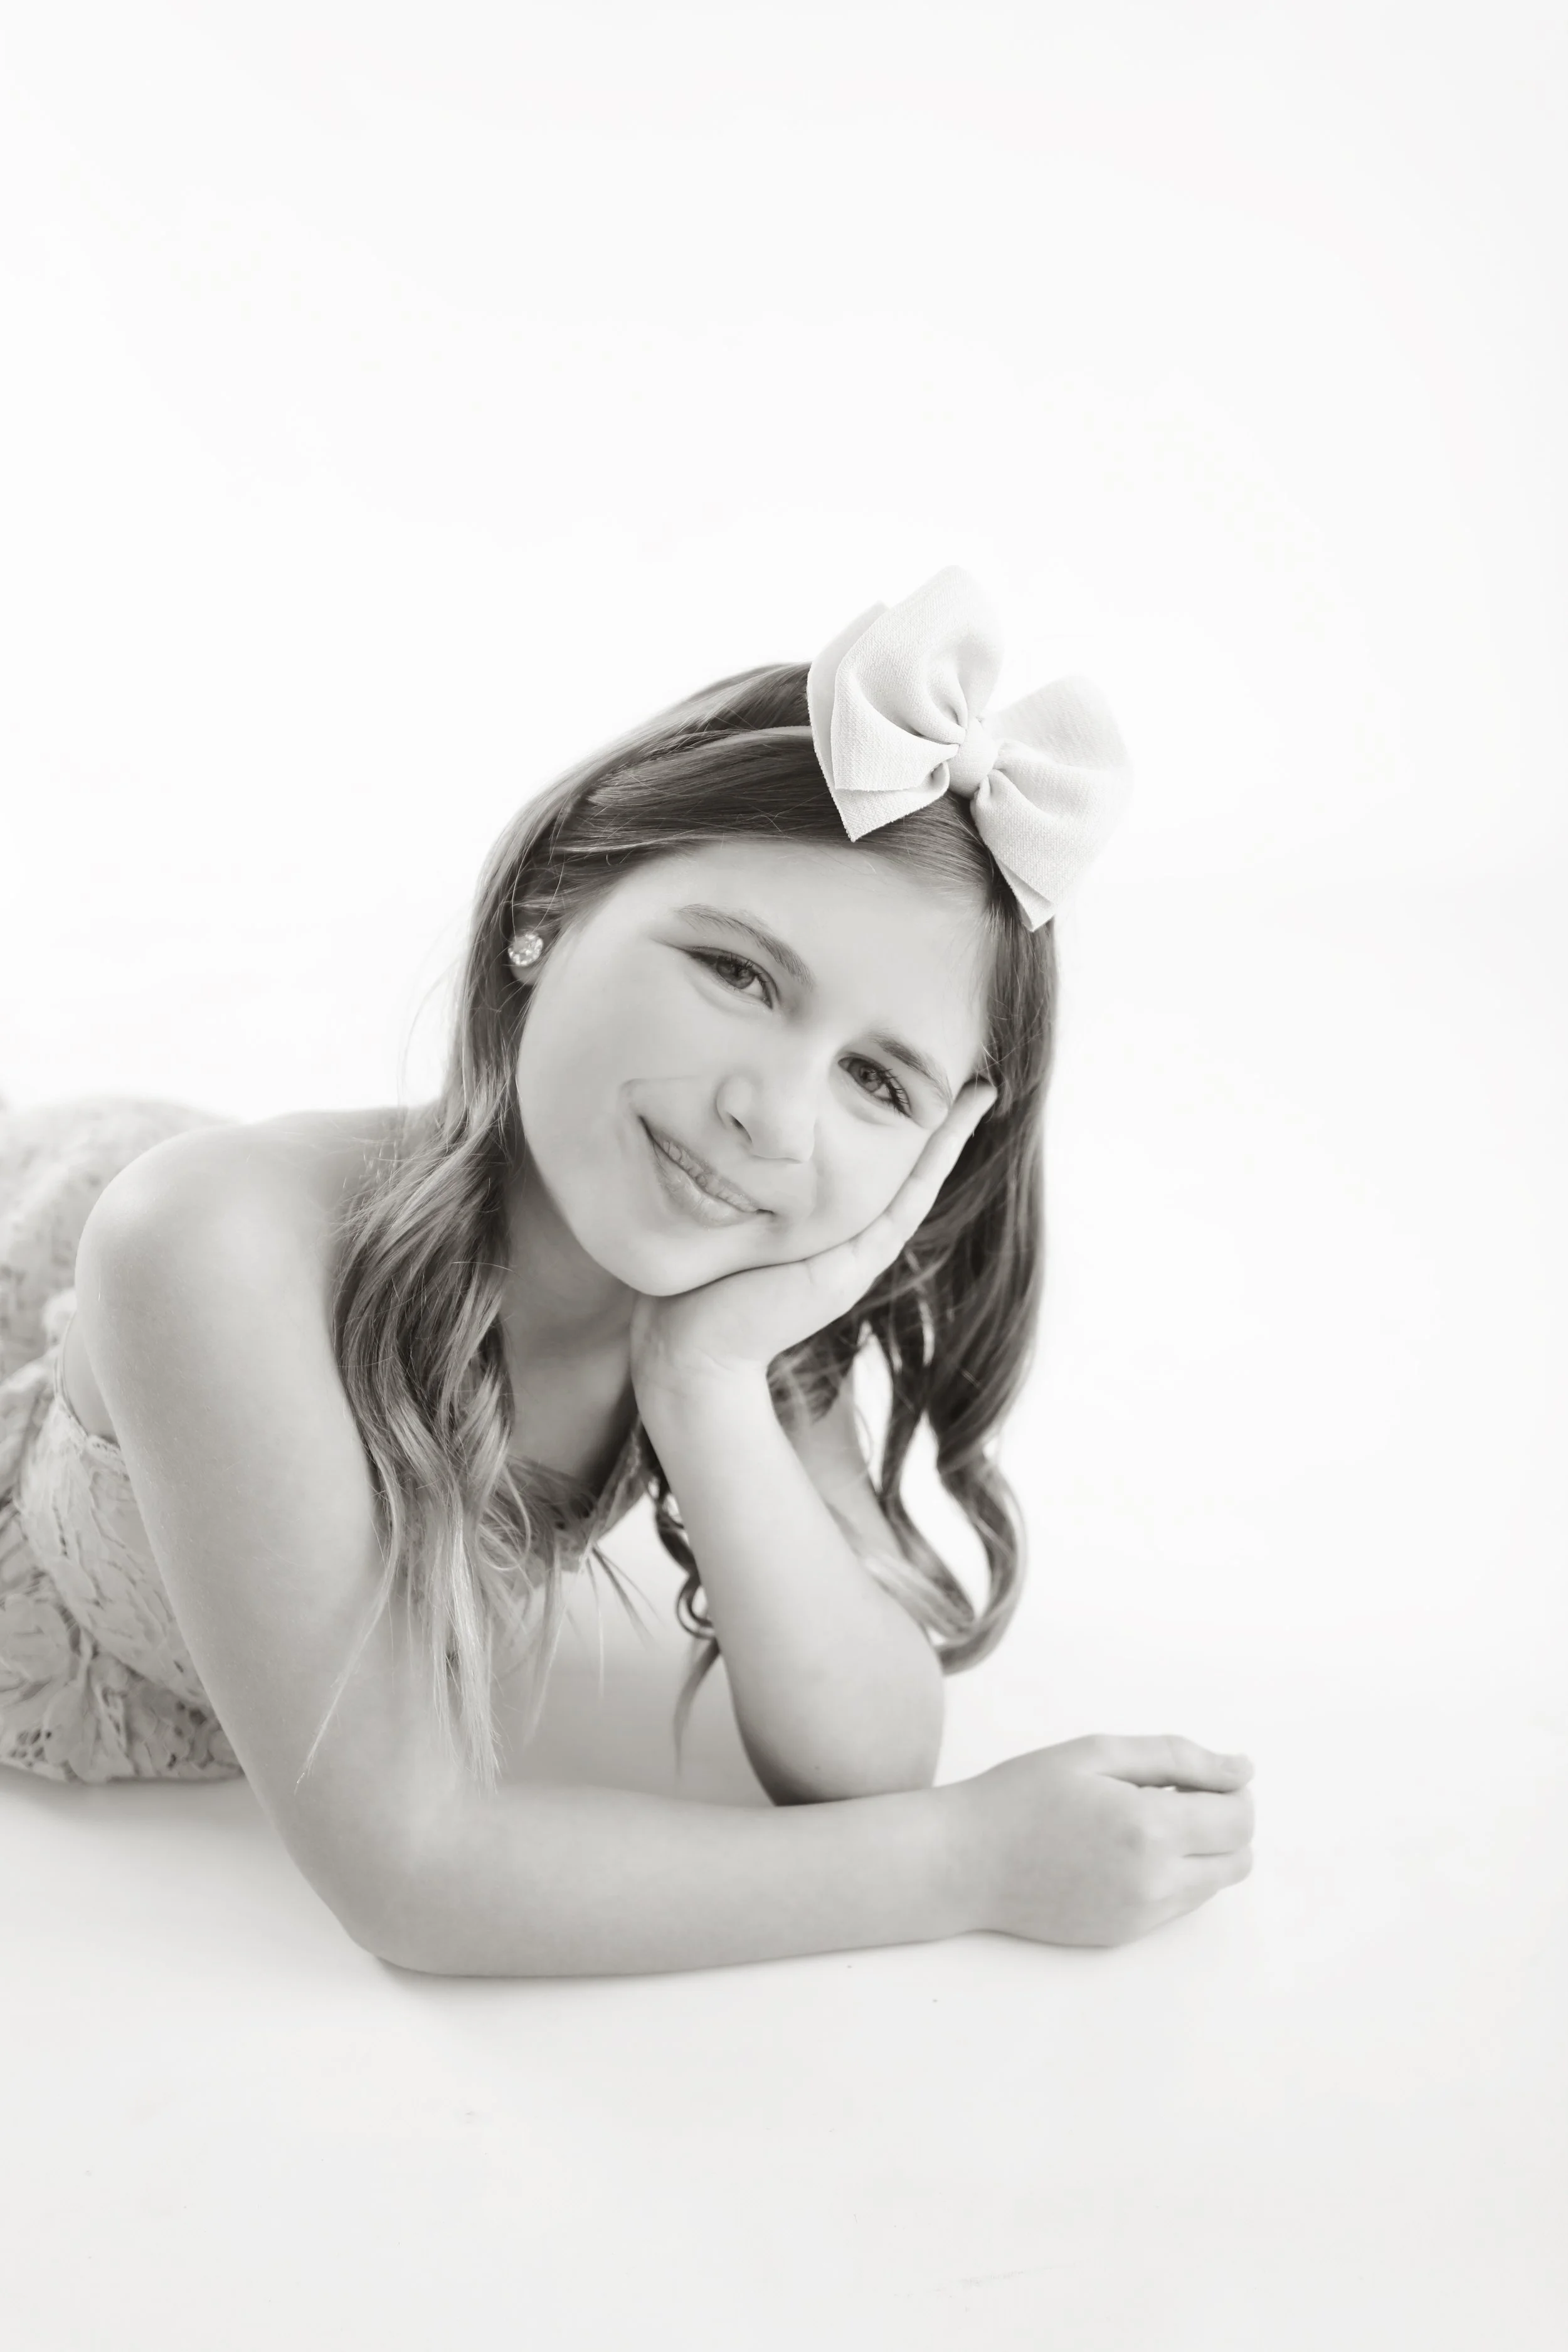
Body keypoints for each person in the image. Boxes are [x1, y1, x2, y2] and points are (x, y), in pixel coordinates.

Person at [0, 566, 1254, 1976]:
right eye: (738, 974)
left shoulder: (737, 1307)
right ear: (550, 906)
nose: (771, 1117)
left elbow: (865, 1753)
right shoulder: (215, 1257)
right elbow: (413, 1871)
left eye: (875, 1081)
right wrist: (973, 1859)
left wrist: (707, 1380)